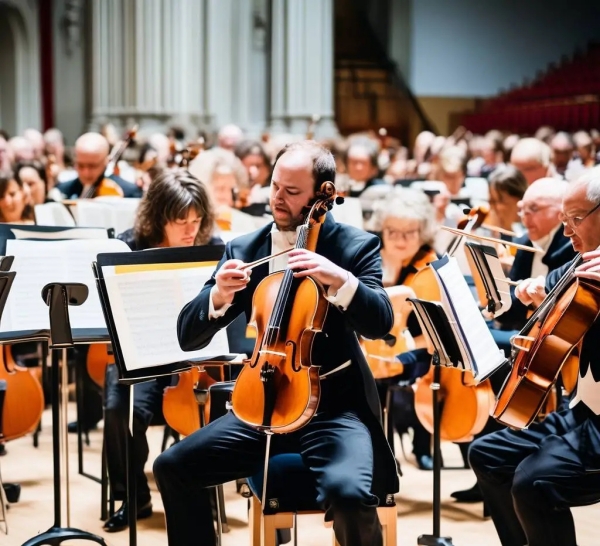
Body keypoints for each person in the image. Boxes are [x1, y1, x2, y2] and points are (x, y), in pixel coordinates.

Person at [153, 141, 399, 546]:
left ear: (324, 192)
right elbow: (187, 333)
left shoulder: (355, 247)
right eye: (274, 186)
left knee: (350, 496)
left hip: (334, 407)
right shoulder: (245, 249)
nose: (277, 199)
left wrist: (339, 280)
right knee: (172, 466)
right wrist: (218, 296)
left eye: (292, 191)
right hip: (262, 404)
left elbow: (381, 323)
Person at [468, 166, 600, 546]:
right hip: (583, 410)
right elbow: (557, 276)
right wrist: (539, 287)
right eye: (563, 220)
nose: (567, 231)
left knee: (533, 482)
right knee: (488, 456)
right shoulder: (584, 260)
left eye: (575, 219)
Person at [101, 169, 221, 533]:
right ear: (158, 217)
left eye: (197, 220)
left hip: (196, 353)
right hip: (142, 349)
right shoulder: (130, 244)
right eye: (181, 221)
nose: (191, 230)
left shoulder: (211, 244)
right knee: (120, 409)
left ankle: (202, 497)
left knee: (218, 405)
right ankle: (133, 495)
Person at [371, 188, 439, 470]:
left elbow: (432, 332)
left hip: (420, 347)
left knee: (422, 368)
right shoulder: (370, 256)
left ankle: (421, 444)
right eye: (392, 231)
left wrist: (404, 348)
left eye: (408, 232)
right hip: (372, 344)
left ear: (422, 232)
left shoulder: (428, 265)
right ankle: (379, 449)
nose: (399, 239)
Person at [54, 132, 141, 199]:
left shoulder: (130, 193)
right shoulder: (62, 191)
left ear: (106, 161)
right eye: (80, 165)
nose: (86, 173)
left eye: (92, 166)